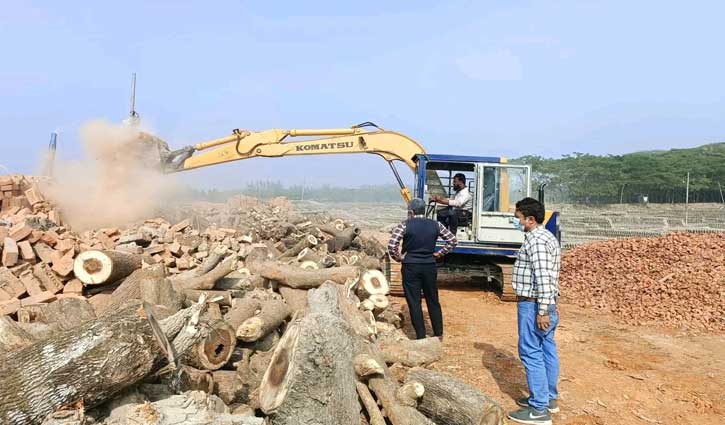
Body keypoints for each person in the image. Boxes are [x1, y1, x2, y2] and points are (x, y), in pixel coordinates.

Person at [507, 197, 561, 425]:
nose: (517, 221)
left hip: (534, 304)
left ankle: (539, 410)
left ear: (530, 219)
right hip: (544, 303)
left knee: (531, 352)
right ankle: (548, 398)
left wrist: (542, 311)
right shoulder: (545, 236)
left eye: (518, 218)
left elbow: (543, 278)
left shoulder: (537, 241)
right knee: (547, 347)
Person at [387, 198, 457, 340]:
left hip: (411, 266)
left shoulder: (404, 225)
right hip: (429, 265)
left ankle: (420, 335)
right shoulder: (436, 225)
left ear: (411, 212)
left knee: (414, 301)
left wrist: (399, 258)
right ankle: (438, 333)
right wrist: (439, 253)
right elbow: (452, 240)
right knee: (433, 299)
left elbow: (392, 245)